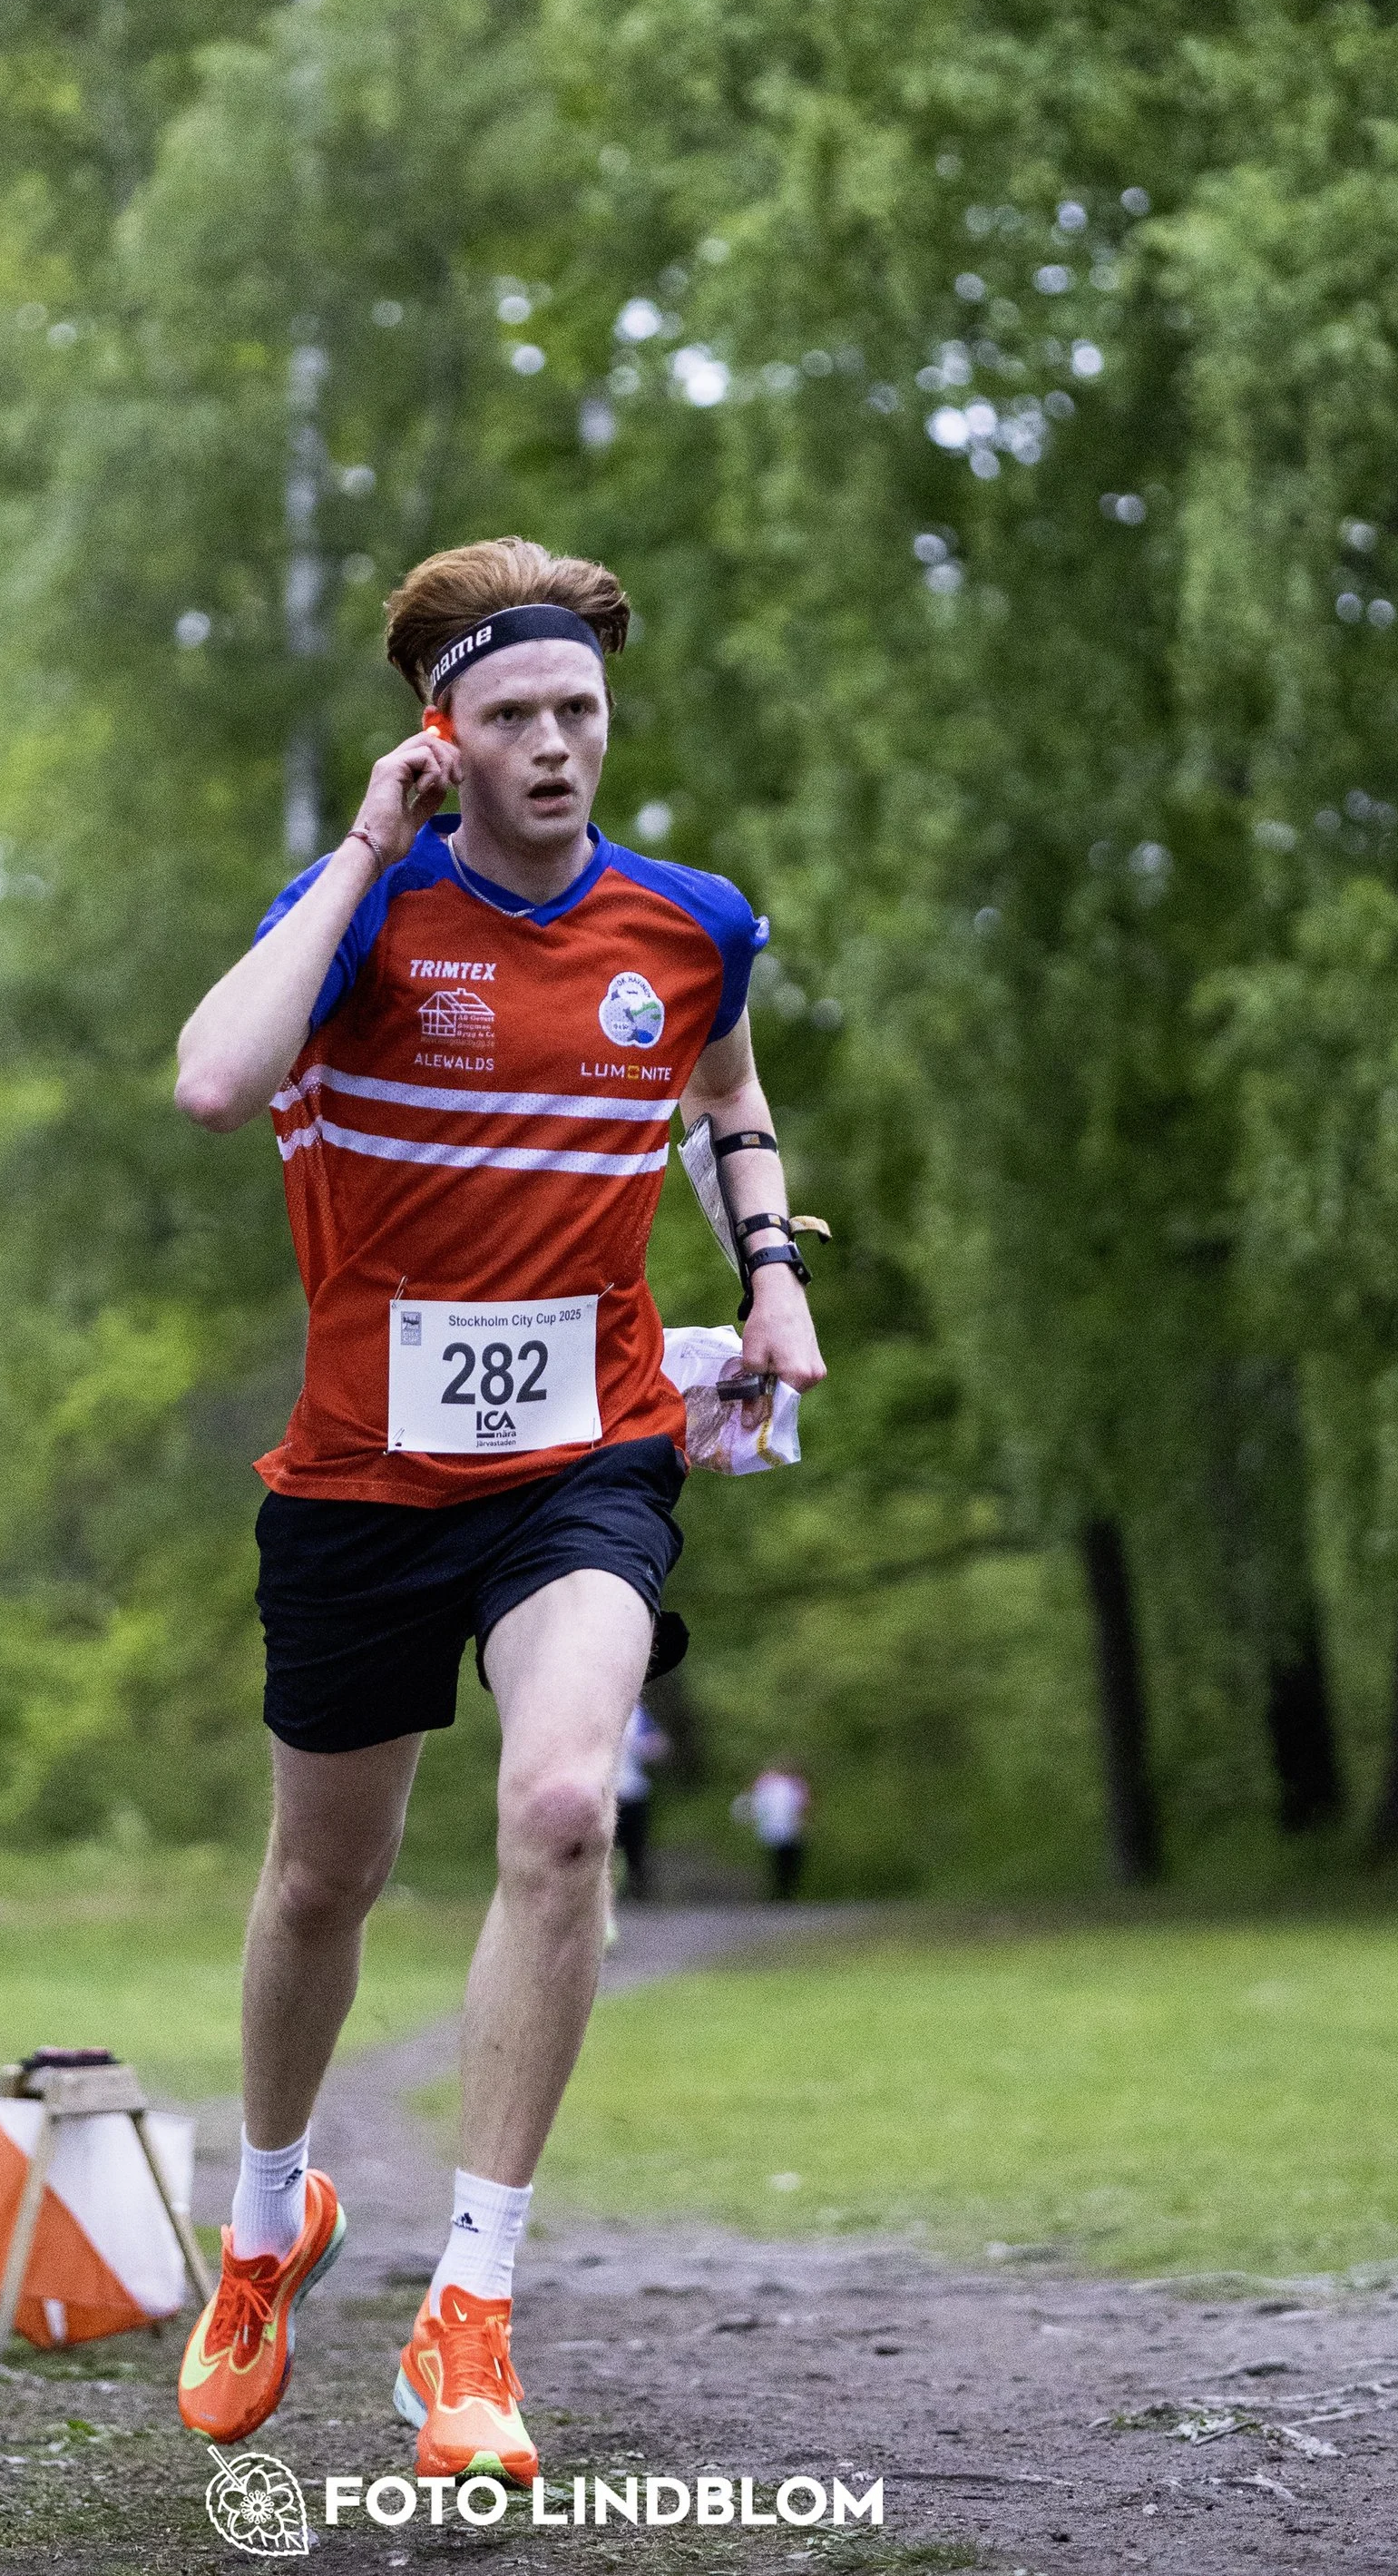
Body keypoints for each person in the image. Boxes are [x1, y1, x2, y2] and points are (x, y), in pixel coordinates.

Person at [170, 536, 826, 2487]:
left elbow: (721, 1073)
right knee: (321, 1884)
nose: (553, 744)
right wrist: (361, 853)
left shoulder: (686, 921)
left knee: (557, 1809)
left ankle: (472, 2302)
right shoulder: (363, 913)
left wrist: (768, 1260)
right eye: (513, 713)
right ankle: (267, 2214)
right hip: (363, 1476)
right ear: (442, 731)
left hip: (583, 1456)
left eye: (580, 714)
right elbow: (216, 1077)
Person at [612, 1698, 670, 1905]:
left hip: (634, 1791)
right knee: (609, 1846)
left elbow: (660, 1747)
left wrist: (644, 1746)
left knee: (635, 1845)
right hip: (606, 1791)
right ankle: (609, 1893)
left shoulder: (639, 1715)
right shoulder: (597, 1708)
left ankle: (637, 1892)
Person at [736, 1761, 811, 1902]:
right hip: (790, 1830)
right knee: (789, 1862)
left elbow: (752, 1806)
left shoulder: (766, 1785)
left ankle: (780, 1893)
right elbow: (802, 1806)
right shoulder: (793, 1785)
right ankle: (786, 1892)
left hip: (772, 1831)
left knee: (779, 1863)